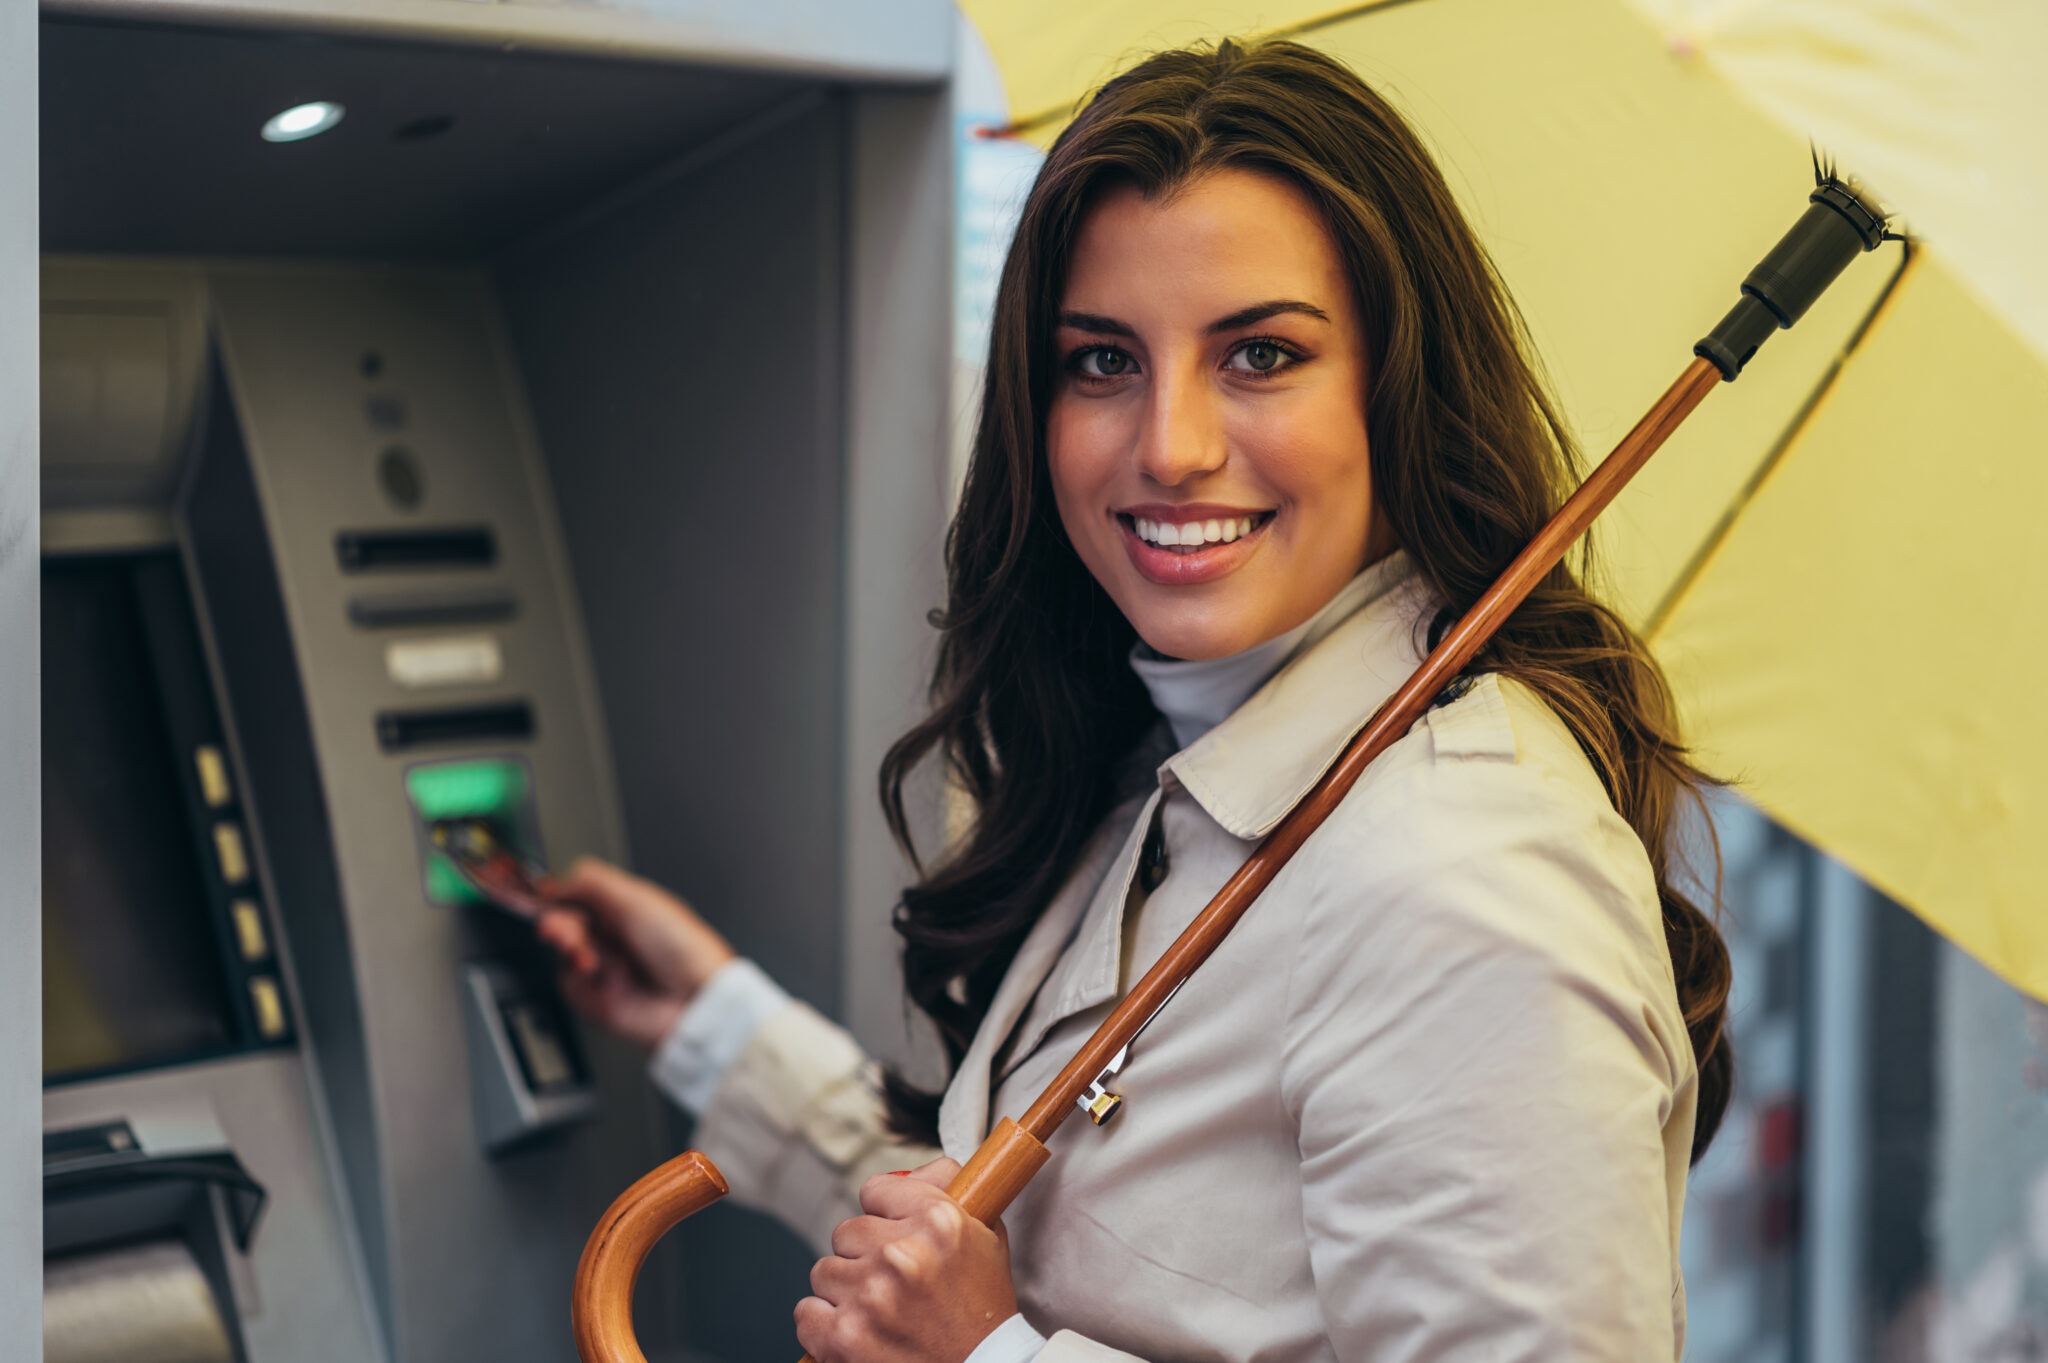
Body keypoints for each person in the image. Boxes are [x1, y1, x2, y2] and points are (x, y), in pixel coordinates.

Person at [537, 37, 1733, 1363]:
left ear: (1396, 388)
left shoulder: (1462, 876)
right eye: (1102, 362)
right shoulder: (1183, 763)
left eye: (1261, 356)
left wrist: (989, 1358)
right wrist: (713, 1027)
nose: (1170, 446)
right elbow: (1006, 1239)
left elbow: (985, 1318)